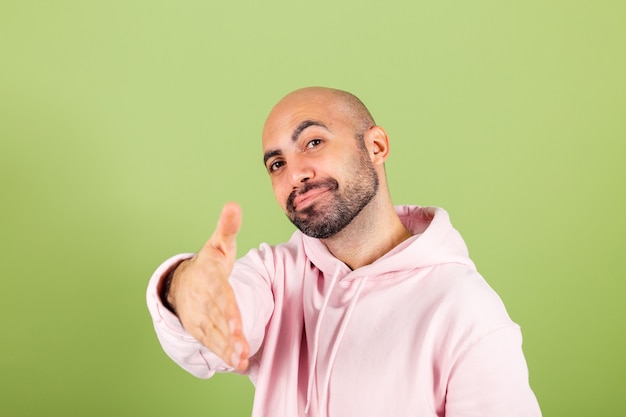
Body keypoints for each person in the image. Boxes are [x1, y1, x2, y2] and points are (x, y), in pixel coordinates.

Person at [146, 87, 542, 417]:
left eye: (313, 142)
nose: (295, 174)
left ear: (376, 146)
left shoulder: (466, 312)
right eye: (277, 164)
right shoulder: (276, 274)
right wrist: (184, 289)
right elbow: (213, 328)